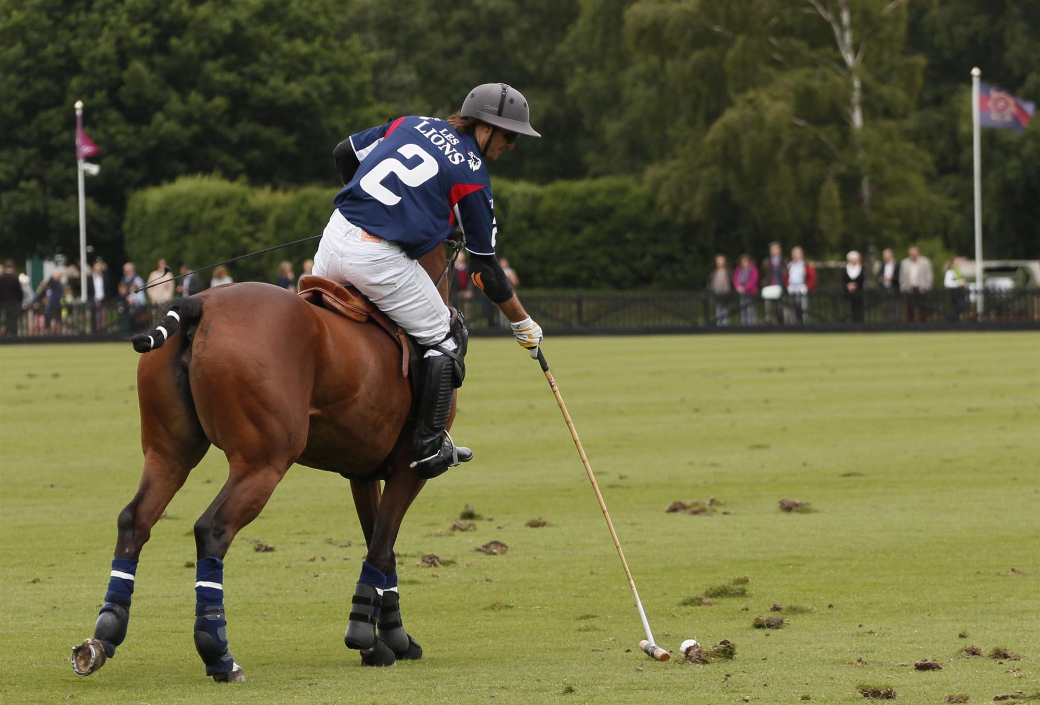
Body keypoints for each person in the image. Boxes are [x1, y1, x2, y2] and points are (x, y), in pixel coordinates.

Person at [313, 82, 543, 481]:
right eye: (509, 136)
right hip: (375, 259)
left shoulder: (410, 122)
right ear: (485, 127)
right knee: (446, 336)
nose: (511, 146)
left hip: (332, 239)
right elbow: (485, 270)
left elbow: (344, 152)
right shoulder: (473, 176)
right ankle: (428, 446)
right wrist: (522, 323)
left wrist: (371, 205)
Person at [899, 246, 933, 322]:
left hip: (921, 288)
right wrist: (903, 286)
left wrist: (927, 286)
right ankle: (911, 323)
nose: (913, 255)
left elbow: (929, 275)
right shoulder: (904, 263)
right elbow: (902, 276)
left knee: (923, 307)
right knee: (910, 307)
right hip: (909, 288)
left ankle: (923, 323)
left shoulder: (925, 262)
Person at [785, 246, 816, 324]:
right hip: (792, 288)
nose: (796, 255)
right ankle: (793, 322)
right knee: (791, 306)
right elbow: (786, 277)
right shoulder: (790, 265)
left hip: (802, 287)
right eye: (794, 254)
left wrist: (808, 287)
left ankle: (805, 322)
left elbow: (812, 277)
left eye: (798, 253)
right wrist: (788, 286)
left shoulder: (805, 265)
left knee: (803, 307)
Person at [760, 242, 787, 324]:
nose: (774, 251)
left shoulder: (784, 261)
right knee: (768, 306)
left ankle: (783, 322)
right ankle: (769, 322)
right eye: (772, 249)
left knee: (782, 306)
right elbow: (763, 274)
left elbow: (786, 274)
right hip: (769, 286)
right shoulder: (766, 261)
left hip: (781, 286)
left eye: (776, 249)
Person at [33, 269, 65, 334]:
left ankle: (56, 333)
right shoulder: (57, 285)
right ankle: (55, 333)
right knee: (55, 319)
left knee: (56, 319)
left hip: (55, 304)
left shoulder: (57, 284)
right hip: (55, 304)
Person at [732, 254, 759, 325]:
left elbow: (753, 280)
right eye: (742, 261)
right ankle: (744, 325)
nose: (744, 263)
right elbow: (735, 279)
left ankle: (752, 324)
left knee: (750, 309)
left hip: (750, 293)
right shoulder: (739, 270)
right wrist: (738, 287)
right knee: (743, 309)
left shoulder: (753, 270)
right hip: (742, 293)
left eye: (746, 261)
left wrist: (745, 288)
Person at [706, 254, 732, 326]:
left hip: (725, 292)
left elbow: (730, 282)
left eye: (721, 260)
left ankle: (726, 323)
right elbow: (711, 282)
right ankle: (719, 324)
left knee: (725, 308)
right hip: (716, 292)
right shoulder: (714, 272)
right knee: (718, 308)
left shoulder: (728, 272)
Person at [0, 260, 23, 337]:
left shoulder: (1, 277)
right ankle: (13, 334)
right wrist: (20, 300)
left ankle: (5, 334)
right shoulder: (15, 277)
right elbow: (19, 291)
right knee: (13, 319)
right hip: (13, 302)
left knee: (5, 318)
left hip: (3, 302)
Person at [877, 247, 900, 322]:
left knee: (895, 307)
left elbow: (900, 277)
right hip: (884, 289)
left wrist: (892, 278)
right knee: (885, 308)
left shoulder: (897, 265)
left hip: (894, 289)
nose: (884, 256)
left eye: (886, 254)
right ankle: (885, 324)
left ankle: (895, 324)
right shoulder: (882, 265)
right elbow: (878, 276)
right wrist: (882, 279)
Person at [842, 250, 866, 323]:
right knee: (850, 308)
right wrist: (848, 286)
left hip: (859, 292)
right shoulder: (845, 269)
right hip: (848, 293)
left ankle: (860, 322)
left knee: (859, 309)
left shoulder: (861, 268)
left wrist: (855, 285)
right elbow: (842, 280)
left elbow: (862, 279)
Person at [944, 256, 967, 321]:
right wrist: (958, 283)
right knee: (956, 308)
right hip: (954, 293)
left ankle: (956, 321)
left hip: (960, 292)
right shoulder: (950, 271)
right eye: (957, 261)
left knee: (961, 308)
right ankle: (951, 321)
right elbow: (947, 283)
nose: (958, 263)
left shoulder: (958, 271)